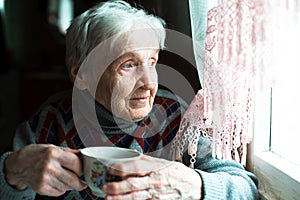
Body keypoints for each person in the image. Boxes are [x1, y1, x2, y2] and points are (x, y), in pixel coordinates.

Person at [0, 0, 258, 199]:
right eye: (129, 65)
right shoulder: (51, 121)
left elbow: (245, 188)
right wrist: (11, 172)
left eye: (152, 62)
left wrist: (195, 186)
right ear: (81, 73)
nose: (150, 83)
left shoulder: (177, 119)